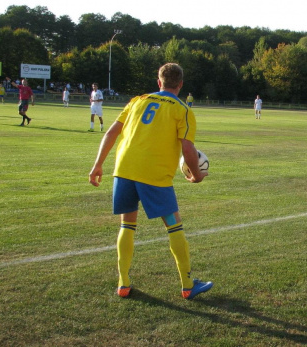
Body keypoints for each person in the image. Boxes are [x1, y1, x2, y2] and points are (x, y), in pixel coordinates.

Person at [88, 62, 213, 299]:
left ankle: (123, 283)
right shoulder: (182, 109)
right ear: (181, 84)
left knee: (127, 225)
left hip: (123, 170)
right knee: (173, 224)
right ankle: (188, 285)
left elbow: (111, 132)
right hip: (154, 175)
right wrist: (196, 176)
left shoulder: (137, 101)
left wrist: (97, 164)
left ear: (159, 82)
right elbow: (188, 148)